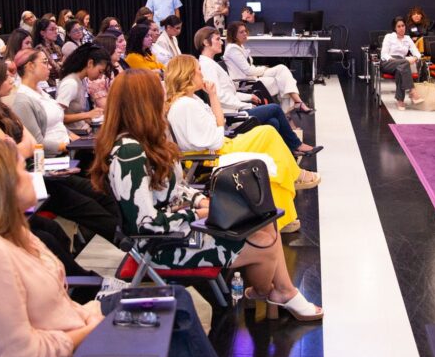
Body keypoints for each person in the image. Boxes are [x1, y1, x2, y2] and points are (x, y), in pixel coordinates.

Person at [0, 137, 215, 357]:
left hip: (79, 328)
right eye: (22, 171)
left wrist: (88, 316)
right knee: (172, 322)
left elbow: (55, 310)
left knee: (174, 303)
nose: (31, 176)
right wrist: (91, 328)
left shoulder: (17, 234)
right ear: (1, 187)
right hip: (74, 353)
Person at [90, 69, 322, 322]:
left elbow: (176, 188)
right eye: (159, 94)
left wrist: (203, 201)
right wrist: (199, 213)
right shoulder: (129, 153)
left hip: (179, 227)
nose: (165, 99)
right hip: (163, 245)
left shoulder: (145, 141)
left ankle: (275, 292)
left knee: (266, 224)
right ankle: (274, 292)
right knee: (264, 242)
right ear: (144, 103)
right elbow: (145, 225)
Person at [0, 58, 119, 246]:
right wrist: (24, 146)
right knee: (85, 208)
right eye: (5, 76)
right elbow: (14, 152)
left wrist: (23, 147)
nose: (11, 78)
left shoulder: (3, 108)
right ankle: (130, 243)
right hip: (24, 180)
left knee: (99, 191)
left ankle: (127, 236)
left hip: (39, 170)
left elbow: (31, 143)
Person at [165, 55, 315, 233]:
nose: (201, 73)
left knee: (268, 134)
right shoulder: (186, 106)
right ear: (188, 75)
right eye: (198, 70)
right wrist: (213, 100)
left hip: (218, 147)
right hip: (211, 156)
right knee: (267, 137)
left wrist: (212, 96)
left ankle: (290, 190)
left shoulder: (191, 101)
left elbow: (216, 126)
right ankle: (293, 179)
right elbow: (216, 134)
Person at [195, 27, 318, 156]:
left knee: (273, 122)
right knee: (275, 109)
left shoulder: (211, 64)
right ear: (205, 42)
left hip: (235, 109)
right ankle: (296, 145)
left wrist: (249, 97)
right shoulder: (207, 66)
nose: (221, 42)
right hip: (231, 116)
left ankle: (281, 153)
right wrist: (246, 104)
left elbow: (229, 93)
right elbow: (219, 96)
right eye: (218, 39)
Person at [224, 21, 312, 114]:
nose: (245, 33)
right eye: (241, 32)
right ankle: (289, 110)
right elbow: (248, 70)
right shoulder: (232, 49)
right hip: (244, 82)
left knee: (282, 69)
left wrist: (263, 68)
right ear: (234, 35)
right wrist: (264, 69)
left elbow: (249, 67)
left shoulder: (240, 46)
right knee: (281, 82)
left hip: (252, 77)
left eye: (245, 31)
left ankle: (294, 106)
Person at [11, 49, 75, 155]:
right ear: (30, 66)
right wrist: (68, 146)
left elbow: (57, 124)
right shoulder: (22, 101)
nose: (49, 66)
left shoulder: (41, 92)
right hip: (52, 157)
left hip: (66, 148)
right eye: (44, 62)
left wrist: (79, 141)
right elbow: (36, 143)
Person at [56, 44, 108, 133]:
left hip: (83, 129)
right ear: (90, 63)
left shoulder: (81, 80)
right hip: (73, 135)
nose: (100, 77)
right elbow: (57, 117)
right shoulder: (70, 83)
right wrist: (87, 115)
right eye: (100, 71)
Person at [380, 17, 424, 111]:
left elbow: (417, 53)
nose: (401, 28)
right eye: (398, 26)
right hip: (388, 62)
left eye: (403, 26)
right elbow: (384, 54)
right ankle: (412, 91)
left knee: (401, 68)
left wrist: (415, 58)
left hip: (401, 63)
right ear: (395, 28)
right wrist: (395, 60)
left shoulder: (408, 38)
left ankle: (400, 101)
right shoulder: (389, 36)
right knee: (405, 63)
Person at [88, 31, 125, 111]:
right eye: (116, 48)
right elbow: (105, 106)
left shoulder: (116, 66)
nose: (120, 51)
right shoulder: (97, 77)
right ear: (107, 50)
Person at [31, 17, 63, 84]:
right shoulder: (39, 49)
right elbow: (56, 69)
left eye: (56, 29)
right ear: (42, 33)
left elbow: (63, 64)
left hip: (60, 81)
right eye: (52, 29)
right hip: (48, 83)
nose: (56, 32)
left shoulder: (57, 47)